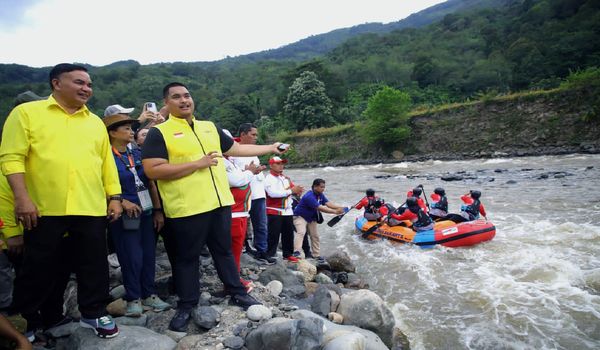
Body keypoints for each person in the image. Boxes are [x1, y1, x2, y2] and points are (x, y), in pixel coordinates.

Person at [142, 82, 285, 332]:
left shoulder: (209, 127)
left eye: (187, 95)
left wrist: (270, 148)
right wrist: (197, 164)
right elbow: (152, 169)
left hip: (219, 205)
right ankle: (187, 304)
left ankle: (237, 291)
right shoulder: (159, 132)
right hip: (187, 208)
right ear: (167, 103)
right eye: (176, 97)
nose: (184, 100)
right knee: (187, 258)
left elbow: (237, 148)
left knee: (224, 251)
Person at [0, 63, 123, 338]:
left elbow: (106, 163)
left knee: (94, 264)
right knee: (37, 266)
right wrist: (22, 199)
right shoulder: (26, 113)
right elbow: (11, 158)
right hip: (43, 207)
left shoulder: (94, 122)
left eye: (89, 84)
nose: (86, 89)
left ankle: (93, 313)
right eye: (79, 82)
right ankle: (27, 321)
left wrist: (114, 197)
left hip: (89, 205)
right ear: (56, 83)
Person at [103, 112, 170, 317]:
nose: (131, 132)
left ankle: (149, 294)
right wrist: (121, 201)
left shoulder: (137, 153)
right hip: (124, 215)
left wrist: (158, 210)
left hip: (147, 211)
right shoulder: (106, 157)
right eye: (126, 129)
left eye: (132, 129)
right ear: (112, 133)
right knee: (131, 256)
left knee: (149, 255)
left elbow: (150, 183)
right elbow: (98, 185)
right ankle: (133, 297)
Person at [230, 123, 275, 264]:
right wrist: (249, 170)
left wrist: (258, 169)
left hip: (258, 193)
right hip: (244, 196)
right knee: (243, 223)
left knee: (261, 224)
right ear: (243, 134)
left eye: (256, 134)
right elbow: (235, 176)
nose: (256, 137)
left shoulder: (254, 152)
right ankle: (244, 248)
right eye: (253, 134)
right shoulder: (233, 153)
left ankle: (262, 251)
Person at [222, 130, 261, 291]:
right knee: (232, 250)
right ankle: (233, 282)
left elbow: (241, 176)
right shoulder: (221, 161)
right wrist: (249, 172)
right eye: (228, 142)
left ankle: (234, 278)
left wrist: (247, 172)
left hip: (240, 212)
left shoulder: (228, 160)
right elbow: (237, 180)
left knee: (236, 249)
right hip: (233, 213)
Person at [292, 179, 346, 261]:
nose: (323, 189)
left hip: (311, 217)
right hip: (300, 216)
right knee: (301, 232)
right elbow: (320, 208)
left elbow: (328, 204)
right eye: (321, 187)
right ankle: (297, 252)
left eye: (324, 187)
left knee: (315, 236)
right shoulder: (309, 196)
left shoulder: (320, 194)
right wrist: (335, 212)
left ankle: (316, 255)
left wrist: (341, 208)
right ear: (315, 187)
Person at [264, 156, 304, 262]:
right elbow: (272, 194)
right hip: (274, 210)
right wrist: (291, 191)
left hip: (287, 210)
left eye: (282, 163)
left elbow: (292, 188)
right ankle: (270, 254)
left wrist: (298, 190)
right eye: (278, 164)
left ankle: (288, 254)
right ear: (271, 165)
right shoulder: (268, 178)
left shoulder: (284, 178)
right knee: (273, 234)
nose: (281, 166)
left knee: (288, 234)